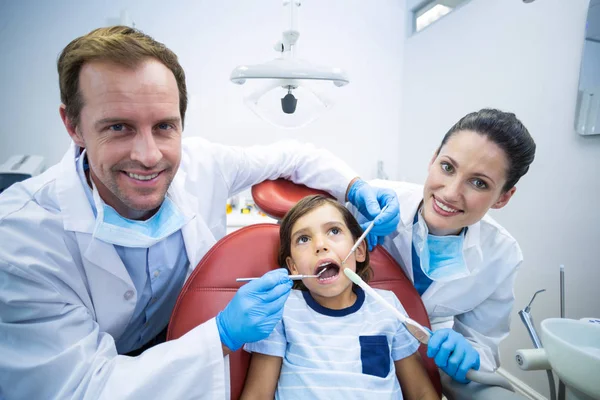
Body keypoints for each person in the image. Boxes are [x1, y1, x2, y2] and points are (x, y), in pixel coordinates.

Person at [0, 26, 401, 399]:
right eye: (118, 127)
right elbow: (85, 387)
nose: (148, 155)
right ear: (72, 125)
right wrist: (222, 336)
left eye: (164, 126)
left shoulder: (203, 164)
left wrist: (355, 187)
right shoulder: (20, 240)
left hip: (177, 338)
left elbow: (294, 155)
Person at [364, 109, 536, 385]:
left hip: (414, 366)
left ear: (503, 197)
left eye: (478, 183)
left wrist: (470, 353)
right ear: (433, 159)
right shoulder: (373, 202)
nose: (450, 193)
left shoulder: (501, 256)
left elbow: (483, 345)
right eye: (447, 167)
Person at [240, 195, 439, 400]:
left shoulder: (387, 306)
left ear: (359, 250)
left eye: (334, 231)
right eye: (303, 239)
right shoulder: (282, 310)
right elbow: (257, 395)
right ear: (293, 267)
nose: (320, 245)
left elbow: (422, 393)